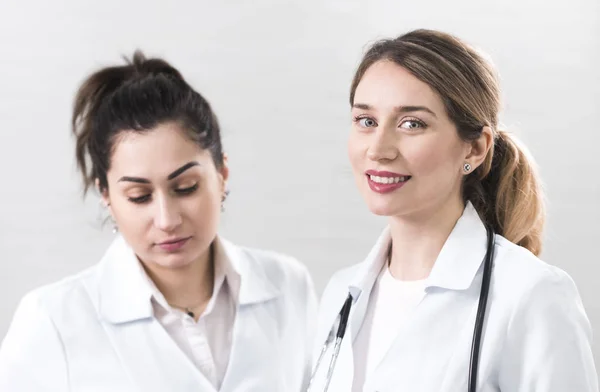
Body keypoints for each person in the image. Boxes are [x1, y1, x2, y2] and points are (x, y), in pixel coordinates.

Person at [0, 51, 317, 392]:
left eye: (186, 188)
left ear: (222, 173)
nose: (166, 220)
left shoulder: (288, 287)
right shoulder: (53, 322)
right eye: (139, 196)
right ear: (106, 195)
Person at [310, 29, 598, 391]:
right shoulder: (342, 295)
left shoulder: (531, 295)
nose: (379, 149)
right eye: (366, 121)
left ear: (475, 149)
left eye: (412, 123)